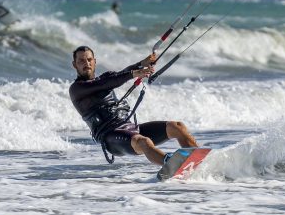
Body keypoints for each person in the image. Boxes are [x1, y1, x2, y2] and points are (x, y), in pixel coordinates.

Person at [69, 46, 199, 165]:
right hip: (110, 137)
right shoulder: (76, 89)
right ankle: (171, 164)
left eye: (89, 59)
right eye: (81, 61)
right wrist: (134, 74)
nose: (86, 63)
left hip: (130, 128)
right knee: (144, 142)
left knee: (177, 127)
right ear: (75, 65)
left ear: (95, 61)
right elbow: (105, 84)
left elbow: (120, 74)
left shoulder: (105, 77)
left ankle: (198, 160)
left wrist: (142, 64)